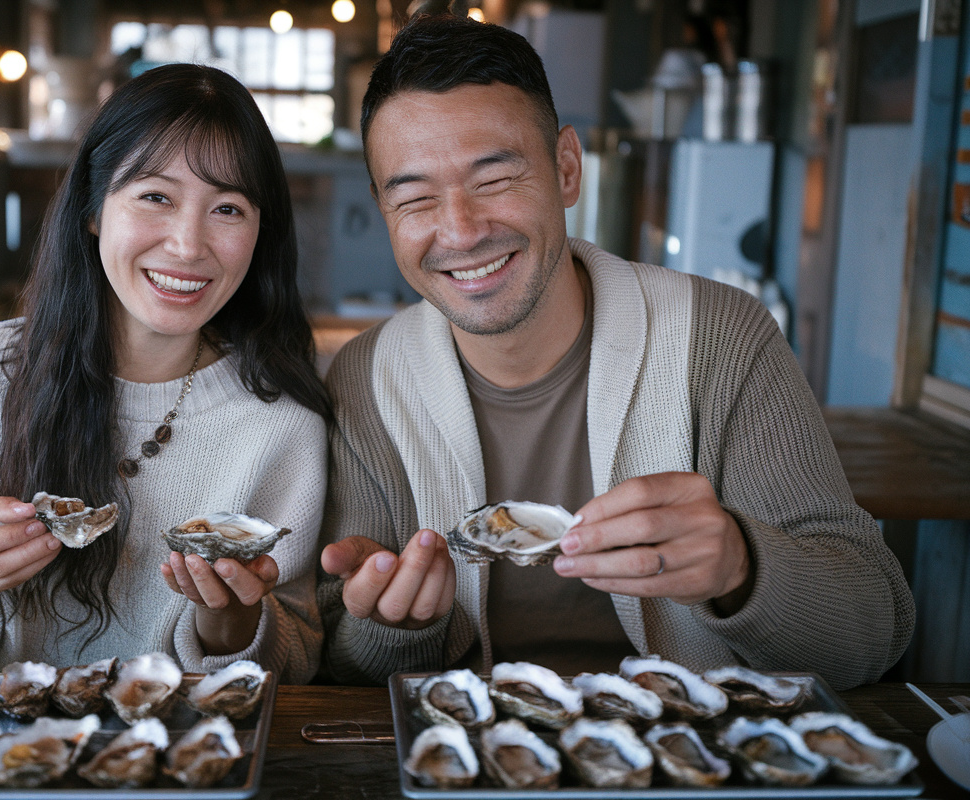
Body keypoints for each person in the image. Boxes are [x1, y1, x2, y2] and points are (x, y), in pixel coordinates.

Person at [316, 14, 914, 690]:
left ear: (566, 169)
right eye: (416, 198)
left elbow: (877, 625)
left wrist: (742, 567)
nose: (460, 230)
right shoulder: (366, 380)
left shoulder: (720, 339)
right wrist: (393, 626)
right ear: (384, 210)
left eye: (495, 180)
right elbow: (340, 661)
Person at [0, 64, 331, 682]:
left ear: (259, 232)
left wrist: (231, 623)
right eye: (155, 197)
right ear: (92, 209)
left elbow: (296, 661)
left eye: (228, 209)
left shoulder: (282, 423)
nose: (189, 245)